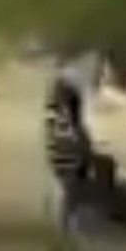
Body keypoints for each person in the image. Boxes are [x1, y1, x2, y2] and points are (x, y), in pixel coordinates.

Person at [43, 74, 96, 230]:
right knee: (70, 189)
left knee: (69, 189)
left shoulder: (54, 114)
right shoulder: (67, 117)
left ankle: (67, 221)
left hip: (62, 150)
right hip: (69, 150)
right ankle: (67, 222)